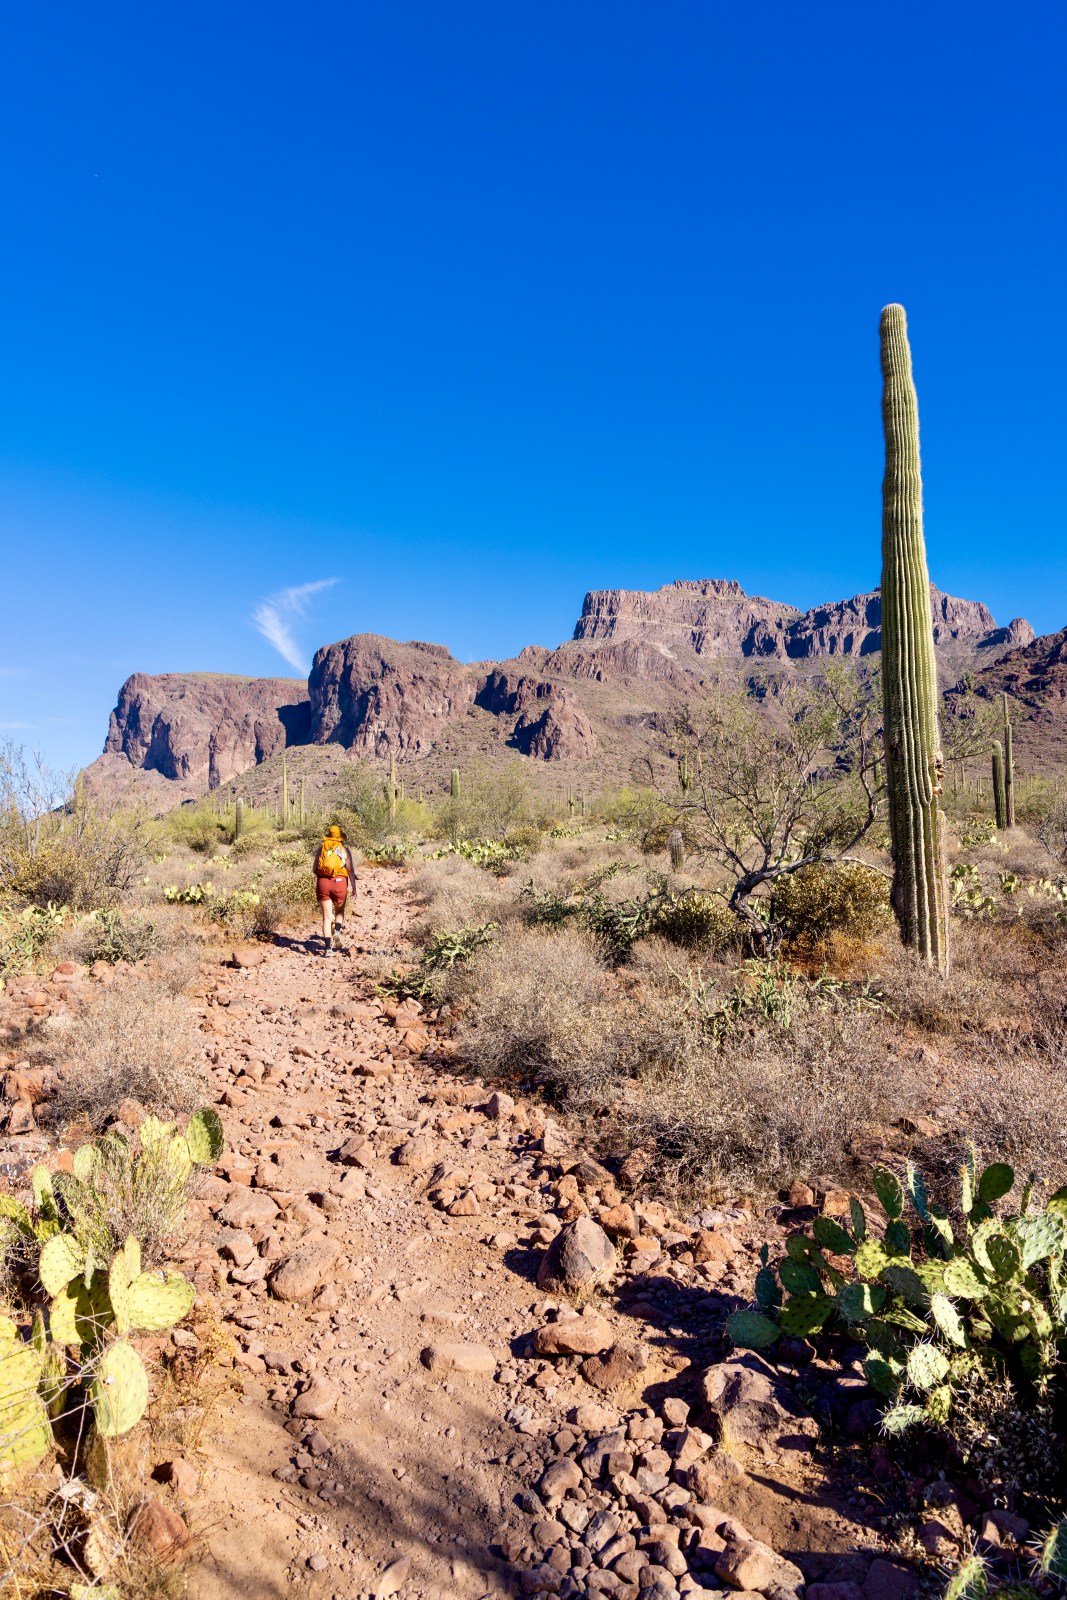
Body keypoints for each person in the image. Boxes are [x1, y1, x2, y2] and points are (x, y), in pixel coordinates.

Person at [313, 824, 355, 956]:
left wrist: (324, 878)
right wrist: (354, 888)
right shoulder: (344, 850)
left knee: (326, 917)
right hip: (340, 883)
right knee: (339, 911)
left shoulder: (321, 849)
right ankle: (337, 932)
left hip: (323, 882)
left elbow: (315, 869)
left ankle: (328, 949)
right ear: (340, 836)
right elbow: (350, 870)